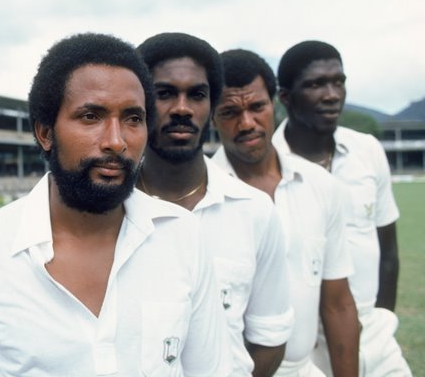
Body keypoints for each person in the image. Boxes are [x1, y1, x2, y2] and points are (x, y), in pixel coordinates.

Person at [0, 33, 225, 376]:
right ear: (45, 132)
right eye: (90, 116)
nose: (116, 141)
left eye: (132, 118)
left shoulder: (184, 237)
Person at [137, 32, 293, 377]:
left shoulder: (254, 211)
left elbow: (269, 339)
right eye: (164, 94)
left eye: (197, 94)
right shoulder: (108, 210)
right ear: (139, 100)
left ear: (210, 108)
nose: (181, 108)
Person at [212, 48, 359, 376]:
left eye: (257, 107)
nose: (247, 123)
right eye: (230, 111)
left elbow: (338, 304)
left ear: (275, 103)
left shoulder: (320, 185)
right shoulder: (203, 198)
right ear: (211, 116)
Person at [274, 40, 412, 376]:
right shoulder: (268, 167)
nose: (332, 94)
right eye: (316, 84)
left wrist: (379, 318)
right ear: (285, 97)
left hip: (372, 333)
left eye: (338, 81)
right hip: (306, 345)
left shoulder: (367, 150)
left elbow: (388, 249)